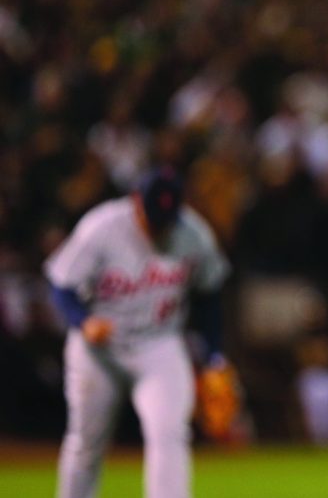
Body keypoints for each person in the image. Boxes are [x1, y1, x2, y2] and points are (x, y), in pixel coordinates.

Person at [46, 166, 230, 498]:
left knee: (169, 434)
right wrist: (83, 321)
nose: (159, 224)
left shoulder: (194, 234)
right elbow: (61, 286)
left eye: (167, 216)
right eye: (153, 214)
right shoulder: (101, 227)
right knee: (86, 443)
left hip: (159, 344)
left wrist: (214, 355)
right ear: (135, 202)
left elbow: (210, 295)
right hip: (99, 351)